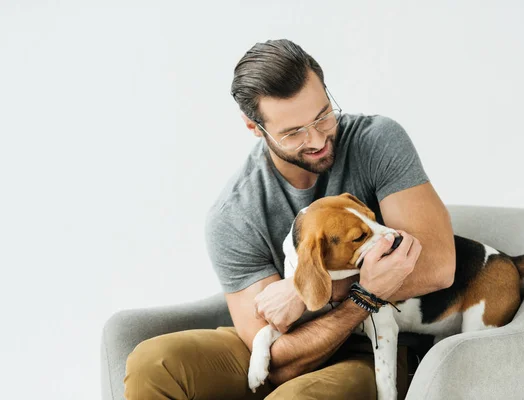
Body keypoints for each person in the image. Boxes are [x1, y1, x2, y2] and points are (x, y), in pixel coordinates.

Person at [124, 39, 456, 400]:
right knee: (153, 363)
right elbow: (278, 362)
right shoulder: (234, 215)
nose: (317, 139)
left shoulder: (376, 142)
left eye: (323, 115)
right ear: (255, 128)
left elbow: (438, 264)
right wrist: (329, 288)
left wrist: (310, 290)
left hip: (376, 346)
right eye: (294, 132)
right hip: (289, 347)